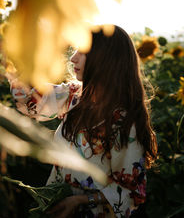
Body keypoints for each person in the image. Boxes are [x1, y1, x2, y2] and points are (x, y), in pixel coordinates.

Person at [10, 25, 157, 218]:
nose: (72, 58)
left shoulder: (124, 122)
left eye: (83, 52)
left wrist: (80, 200)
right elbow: (28, 99)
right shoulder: (74, 98)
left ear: (106, 59)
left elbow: (131, 191)